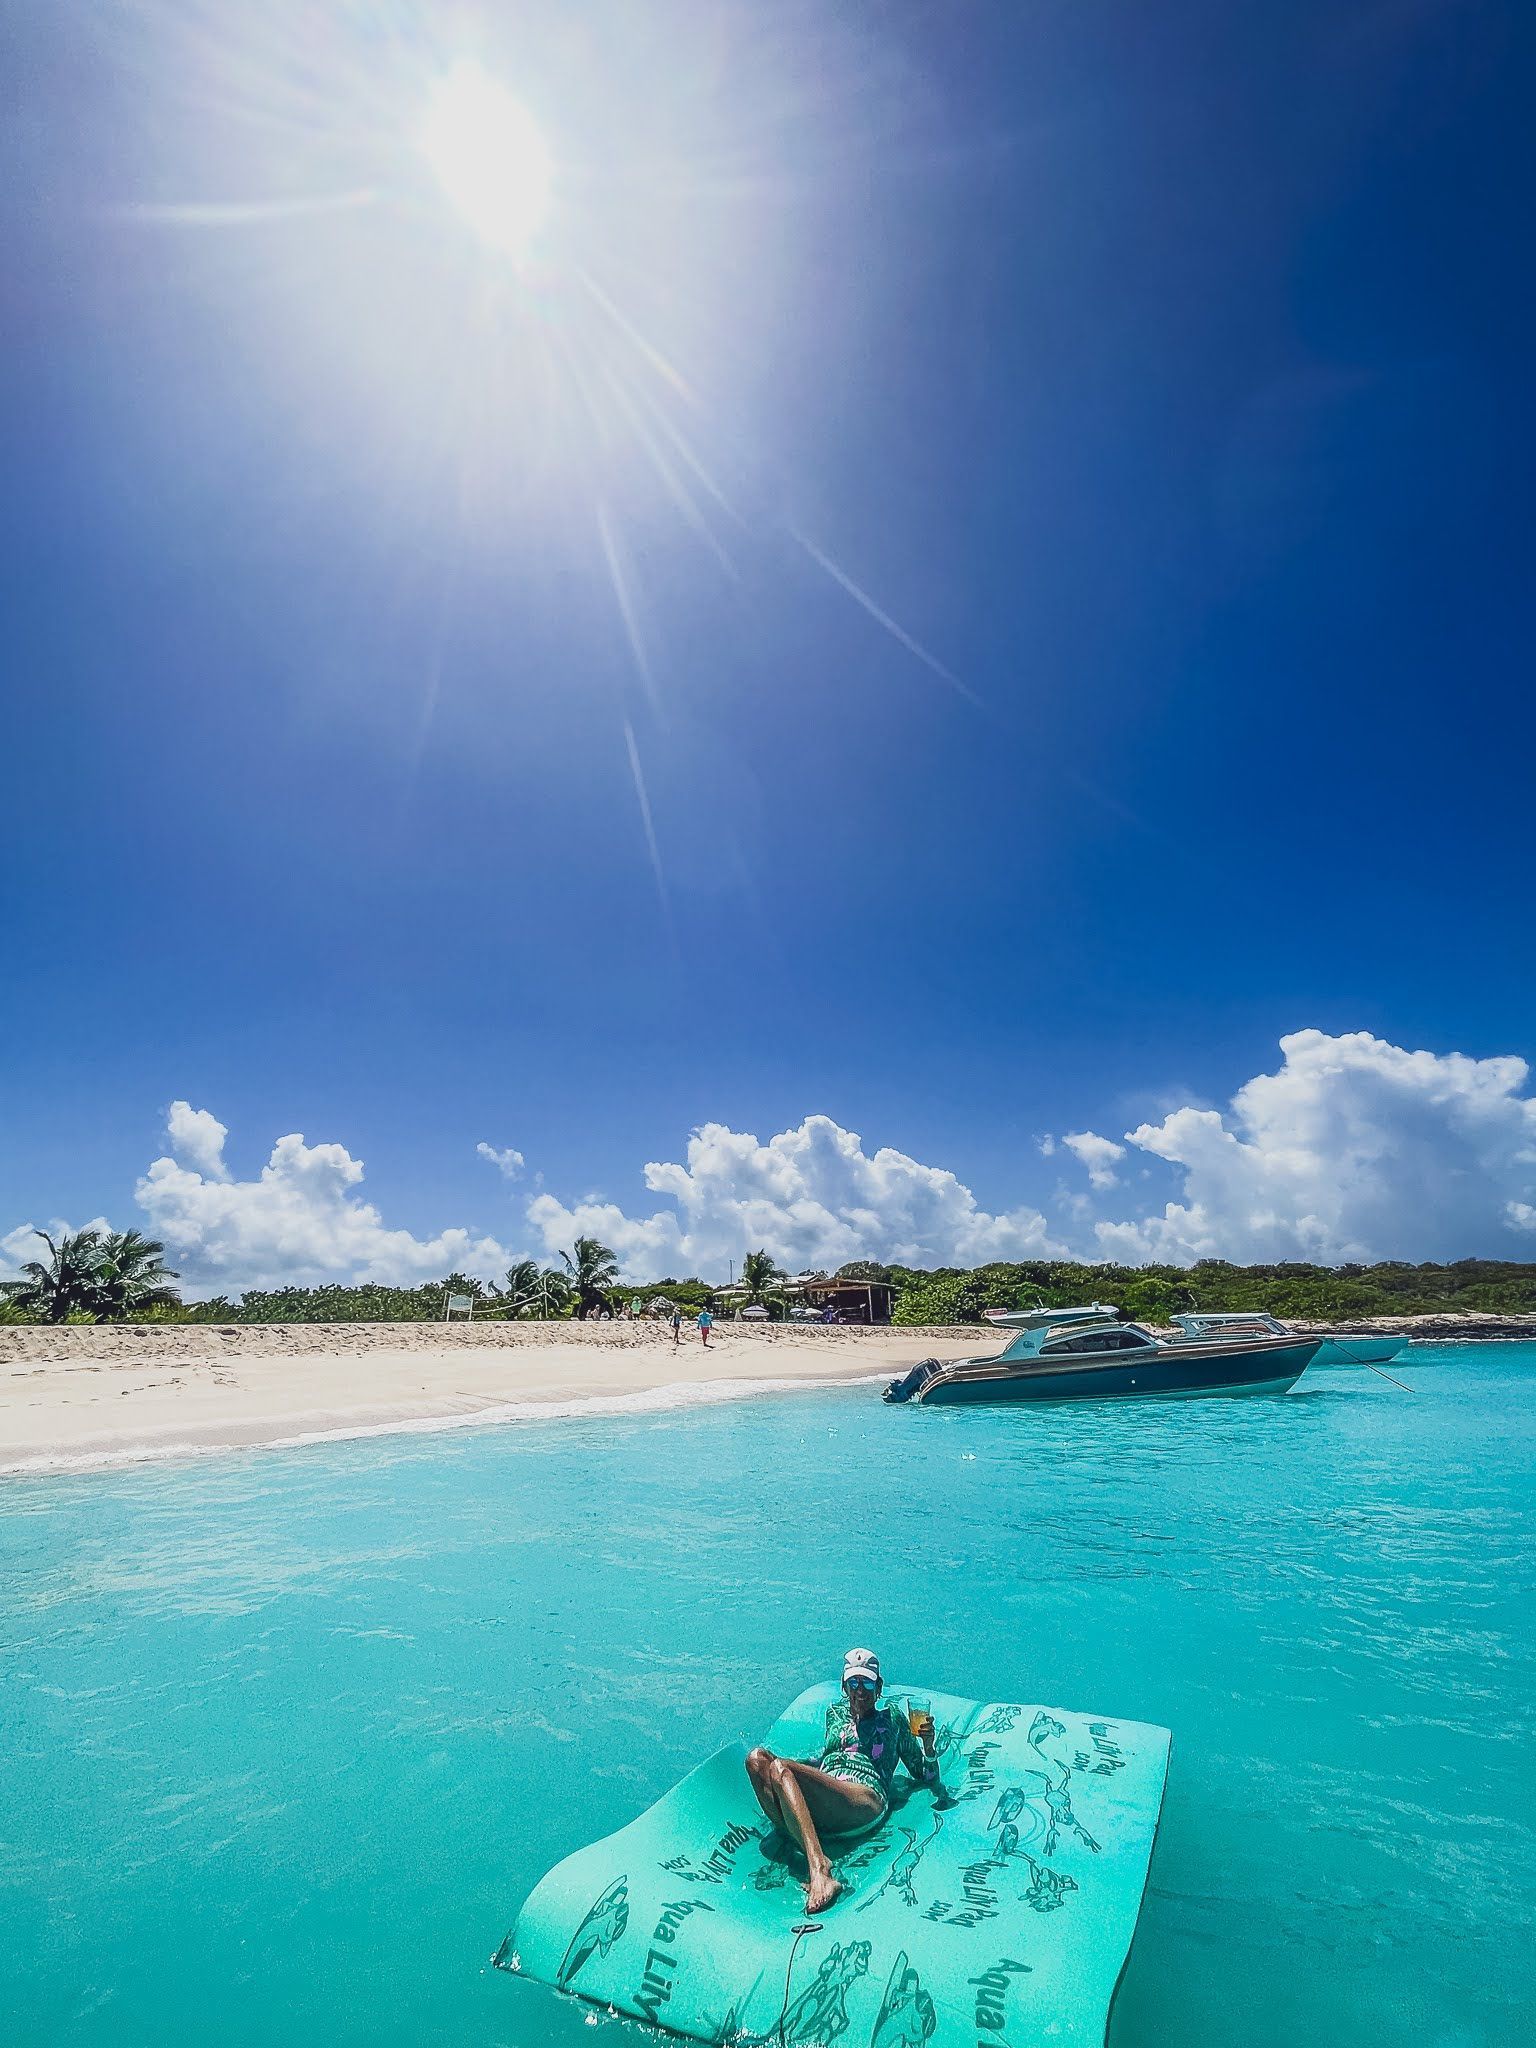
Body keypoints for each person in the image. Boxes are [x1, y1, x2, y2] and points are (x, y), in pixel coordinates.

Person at [745, 1649, 941, 1912]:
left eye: (868, 1683)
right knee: (757, 1760)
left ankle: (820, 1870)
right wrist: (798, 1768)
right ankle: (802, 1834)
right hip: (832, 1790)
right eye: (854, 1683)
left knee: (781, 1769)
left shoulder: (891, 1719)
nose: (861, 1691)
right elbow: (829, 1757)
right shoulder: (834, 1714)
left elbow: (925, 1775)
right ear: (844, 1685)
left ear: (879, 1686)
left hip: (865, 1795)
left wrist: (928, 1747)